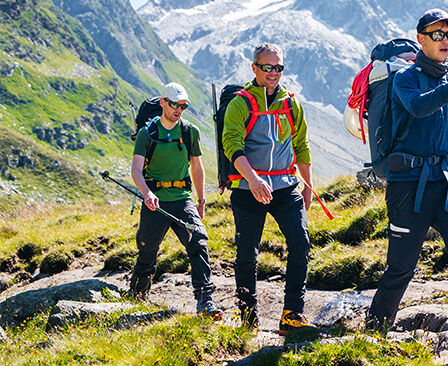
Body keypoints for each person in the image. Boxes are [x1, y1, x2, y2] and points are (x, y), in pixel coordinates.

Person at [366, 9, 448, 359]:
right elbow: (416, 107)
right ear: (421, 39)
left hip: (447, 183)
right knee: (402, 264)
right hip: (408, 184)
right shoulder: (405, 79)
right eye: (438, 34)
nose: (445, 41)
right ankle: (375, 330)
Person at [222, 43, 316, 334]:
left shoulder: (291, 104)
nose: (274, 73)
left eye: (278, 68)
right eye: (267, 67)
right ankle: (248, 316)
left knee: (300, 242)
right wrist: (252, 179)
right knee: (247, 252)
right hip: (247, 188)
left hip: (285, 186)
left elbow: (301, 145)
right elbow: (232, 145)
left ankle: (291, 314)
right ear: (255, 68)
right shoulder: (241, 104)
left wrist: (308, 184)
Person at [130, 82, 221, 318]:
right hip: (155, 201)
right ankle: (138, 294)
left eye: (183, 106)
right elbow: (136, 170)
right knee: (147, 250)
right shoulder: (146, 133)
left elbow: (197, 167)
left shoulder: (190, 132)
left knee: (199, 240)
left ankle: (205, 301)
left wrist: (201, 200)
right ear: (162, 103)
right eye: (173, 104)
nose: (178, 110)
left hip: (183, 199)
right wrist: (147, 193)